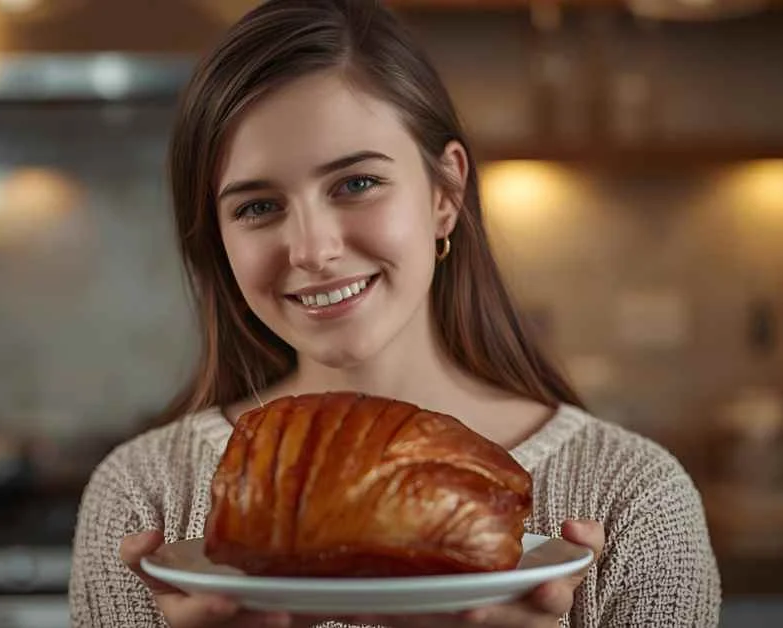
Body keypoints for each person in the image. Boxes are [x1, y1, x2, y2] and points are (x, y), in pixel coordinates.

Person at [69, 0, 721, 626]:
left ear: (446, 194)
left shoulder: (633, 497)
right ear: (218, 238)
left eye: (356, 184)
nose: (313, 250)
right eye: (257, 206)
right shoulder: (142, 498)